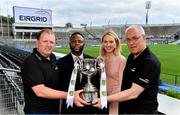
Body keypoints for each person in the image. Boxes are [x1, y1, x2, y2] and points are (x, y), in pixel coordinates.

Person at [93, 25, 161, 114]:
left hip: (143, 112)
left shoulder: (150, 62)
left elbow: (133, 93)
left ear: (144, 38)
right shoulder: (131, 56)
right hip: (127, 109)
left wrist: (105, 99)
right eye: (128, 39)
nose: (131, 43)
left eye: (135, 38)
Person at [21, 29, 82, 114]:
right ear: (37, 42)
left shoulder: (53, 57)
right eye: (45, 41)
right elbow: (40, 91)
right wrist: (71, 95)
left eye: (51, 42)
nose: (49, 45)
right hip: (38, 111)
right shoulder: (30, 61)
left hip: (54, 109)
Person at [58, 32, 104, 114]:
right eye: (73, 41)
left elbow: (97, 83)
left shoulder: (93, 60)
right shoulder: (61, 62)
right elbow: (59, 85)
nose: (77, 43)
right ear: (69, 43)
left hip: (89, 107)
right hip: (70, 107)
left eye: (80, 41)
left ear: (84, 43)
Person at [99, 30, 126, 114]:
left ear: (116, 43)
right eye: (105, 42)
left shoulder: (121, 60)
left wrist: (110, 99)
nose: (108, 45)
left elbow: (121, 85)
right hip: (101, 99)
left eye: (111, 42)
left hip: (115, 100)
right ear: (102, 43)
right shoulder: (99, 59)